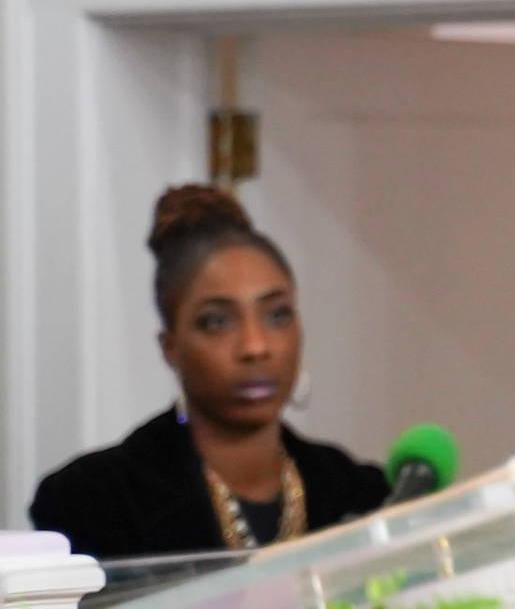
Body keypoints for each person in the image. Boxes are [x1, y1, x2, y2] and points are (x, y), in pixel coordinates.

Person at [31, 185, 388, 558]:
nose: (255, 346)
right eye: (217, 322)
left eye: (277, 315)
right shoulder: (95, 499)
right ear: (170, 347)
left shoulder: (358, 493)